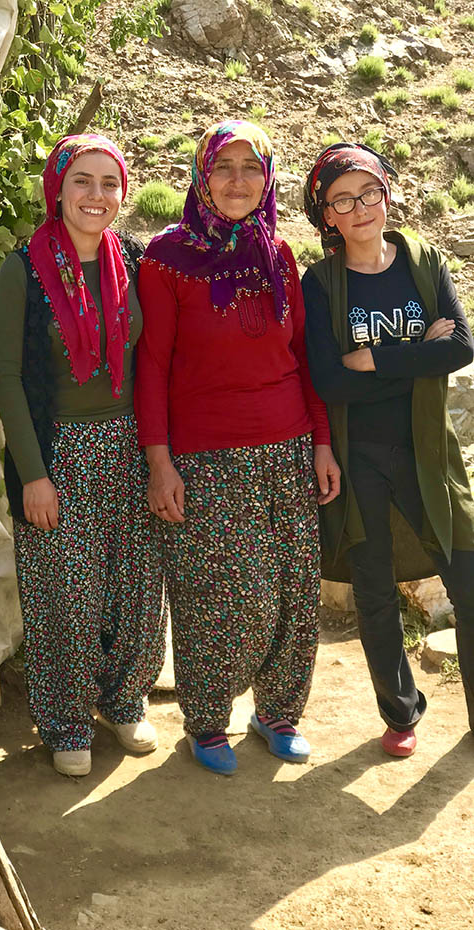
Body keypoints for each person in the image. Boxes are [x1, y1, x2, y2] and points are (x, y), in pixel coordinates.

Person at [134, 120, 340, 775]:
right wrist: (159, 460)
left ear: (268, 178)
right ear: (201, 174)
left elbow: (303, 356)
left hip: (288, 445)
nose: (237, 182)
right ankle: (207, 719)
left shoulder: (277, 251)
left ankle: (279, 712)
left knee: (296, 588)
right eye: (224, 167)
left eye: (252, 168)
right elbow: (153, 366)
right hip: (206, 452)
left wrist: (323, 443)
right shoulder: (168, 258)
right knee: (227, 591)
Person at [0, 134, 166, 778]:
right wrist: (34, 475)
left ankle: (125, 701)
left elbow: (154, 360)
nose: (98, 196)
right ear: (57, 190)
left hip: (130, 444)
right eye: (82, 182)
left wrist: (158, 455)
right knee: (65, 592)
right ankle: (65, 718)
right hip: (58, 448)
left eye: (109, 183)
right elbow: (7, 376)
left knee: (135, 583)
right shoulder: (25, 269)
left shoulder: (137, 263)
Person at [302, 142, 474, 756]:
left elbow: (461, 347)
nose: (360, 207)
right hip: (359, 457)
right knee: (372, 587)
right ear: (327, 216)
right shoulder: (321, 284)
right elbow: (329, 380)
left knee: (467, 573)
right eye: (342, 200)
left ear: (388, 193)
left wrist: (376, 357)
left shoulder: (424, 261)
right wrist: (417, 359)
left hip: (428, 449)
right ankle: (401, 715)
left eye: (369, 192)